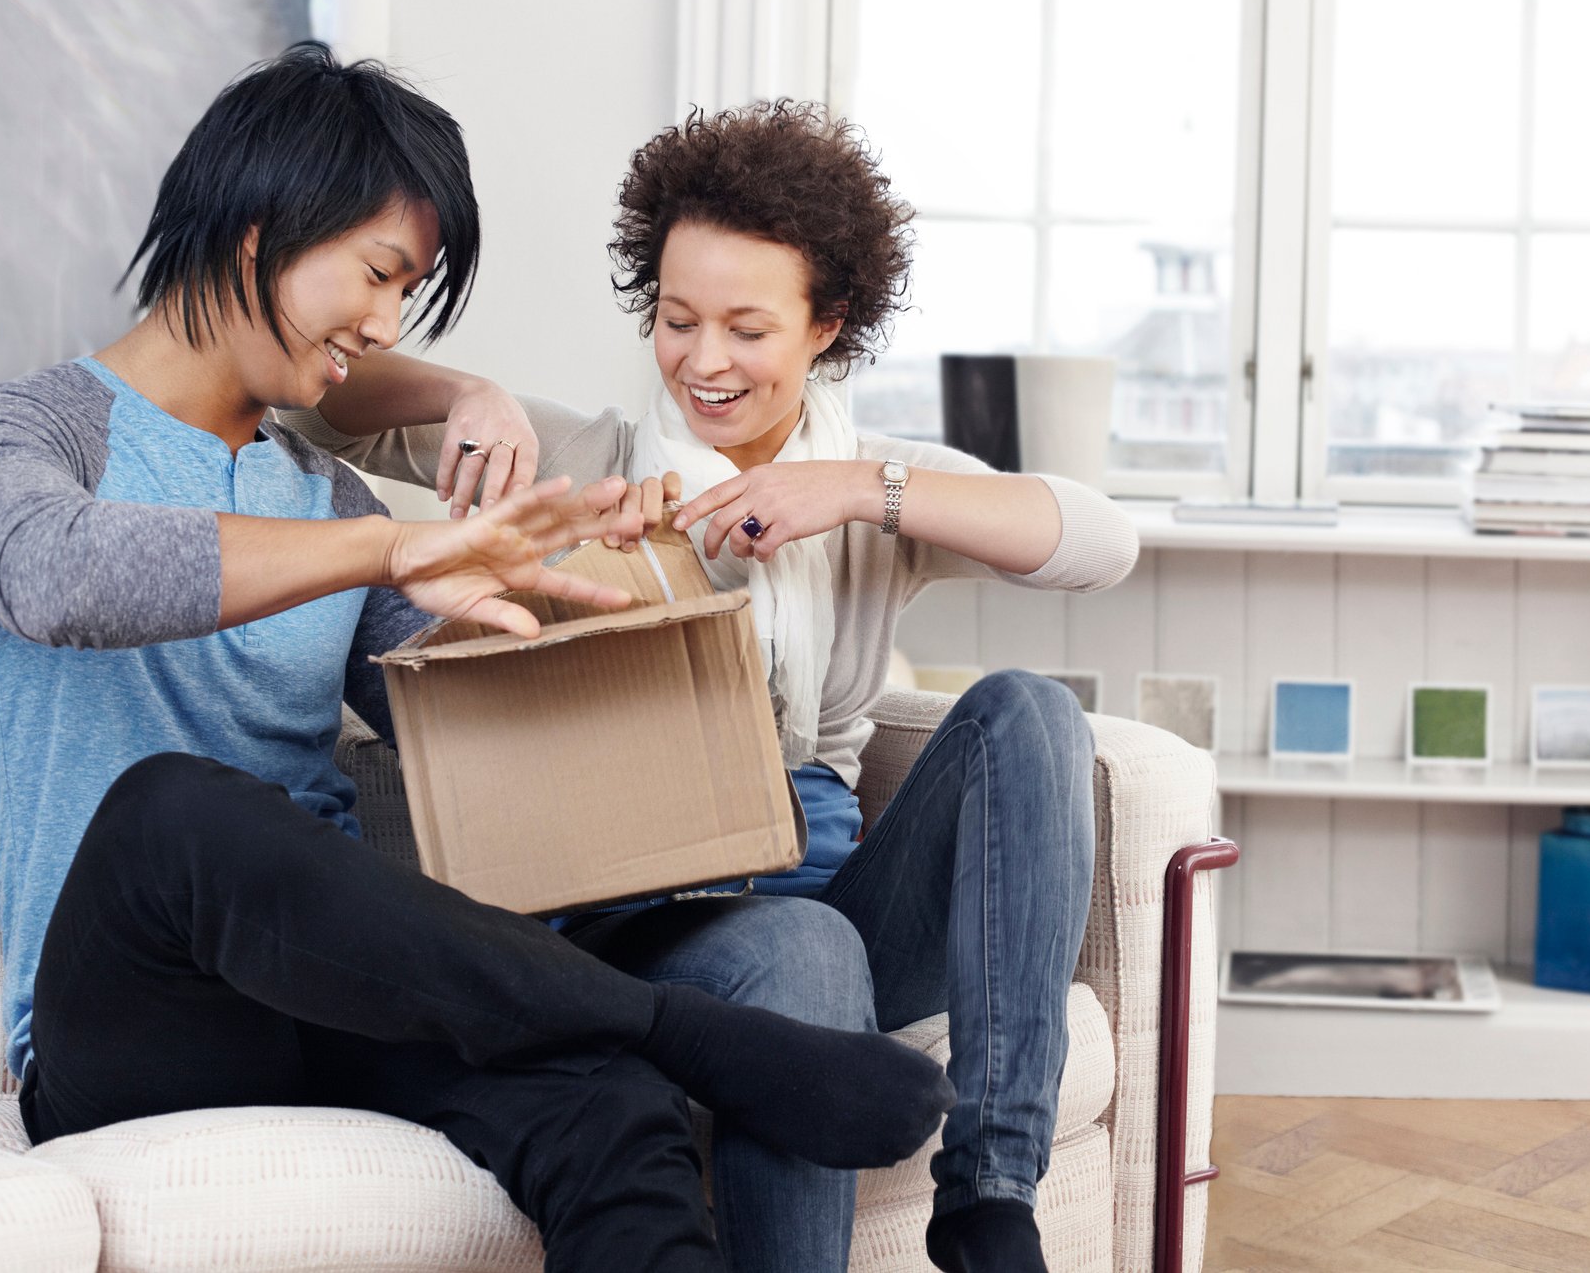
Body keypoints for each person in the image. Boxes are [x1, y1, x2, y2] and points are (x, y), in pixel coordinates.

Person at [0, 50, 954, 1273]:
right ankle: (679, 1029)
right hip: (137, 1022)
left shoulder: (326, 497)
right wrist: (389, 546)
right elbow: (63, 578)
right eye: (378, 275)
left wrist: (602, 579)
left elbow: (474, 740)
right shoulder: (11, 445)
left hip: (339, 996)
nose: (386, 327)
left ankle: (632, 1044)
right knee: (173, 811)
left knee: (607, 1108)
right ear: (258, 235)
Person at [288, 99, 1140, 1273]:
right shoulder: (585, 457)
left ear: (826, 322)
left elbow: (1100, 543)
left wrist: (853, 490)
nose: (703, 361)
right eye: (677, 320)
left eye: (747, 327)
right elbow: (310, 398)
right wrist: (463, 396)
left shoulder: (871, 487)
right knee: (802, 954)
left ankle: (991, 1197)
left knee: (1030, 713)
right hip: (638, 922)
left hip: (833, 884)